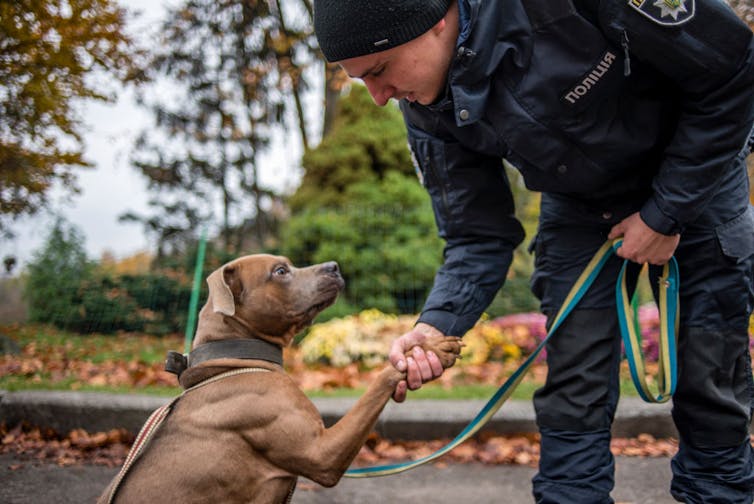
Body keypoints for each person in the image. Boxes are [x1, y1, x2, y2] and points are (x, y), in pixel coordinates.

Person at [313, 0, 754, 502]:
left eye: (379, 71)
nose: (377, 98)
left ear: (435, 22)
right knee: (574, 386)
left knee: (711, 372)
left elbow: (734, 68)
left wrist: (666, 212)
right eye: (359, 81)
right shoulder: (425, 107)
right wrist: (437, 324)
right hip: (581, 204)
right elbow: (477, 236)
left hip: (698, 171)